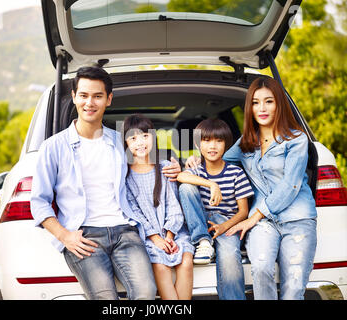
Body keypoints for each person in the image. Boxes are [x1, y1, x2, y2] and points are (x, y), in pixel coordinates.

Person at [30, 66, 181, 300]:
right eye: (84, 95)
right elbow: (38, 202)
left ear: (108, 99)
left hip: (127, 232)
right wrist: (64, 236)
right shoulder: (53, 147)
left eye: (97, 96)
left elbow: (151, 165)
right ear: (74, 97)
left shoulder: (120, 141)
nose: (90, 103)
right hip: (84, 236)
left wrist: (179, 167)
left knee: (146, 293)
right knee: (105, 298)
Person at [186, 77, 317, 300]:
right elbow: (218, 159)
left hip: (296, 220)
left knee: (293, 289)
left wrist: (253, 217)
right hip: (264, 224)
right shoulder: (246, 141)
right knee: (262, 269)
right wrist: (194, 160)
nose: (262, 108)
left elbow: (290, 186)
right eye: (256, 103)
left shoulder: (296, 140)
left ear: (279, 104)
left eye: (269, 101)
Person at [177, 118, 254, 300]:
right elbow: (181, 176)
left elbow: (243, 212)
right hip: (200, 222)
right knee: (185, 187)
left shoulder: (236, 173)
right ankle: (203, 242)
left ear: (226, 144)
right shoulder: (196, 169)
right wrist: (212, 184)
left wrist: (224, 227)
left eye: (219, 141)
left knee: (230, 257)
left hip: (226, 223)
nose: (213, 146)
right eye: (207, 140)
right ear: (198, 144)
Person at [123, 114, 194, 300]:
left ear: (154, 137)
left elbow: (174, 206)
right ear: (126, 143)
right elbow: (135, 214)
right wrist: (156, 239)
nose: (140, 142)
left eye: (145, 136)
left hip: (175, 232)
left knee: (186, 263)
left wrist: (169, 236)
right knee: (161, 268)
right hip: (149, 236)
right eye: (133, 137)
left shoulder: (165, 167)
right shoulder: (125, 177)